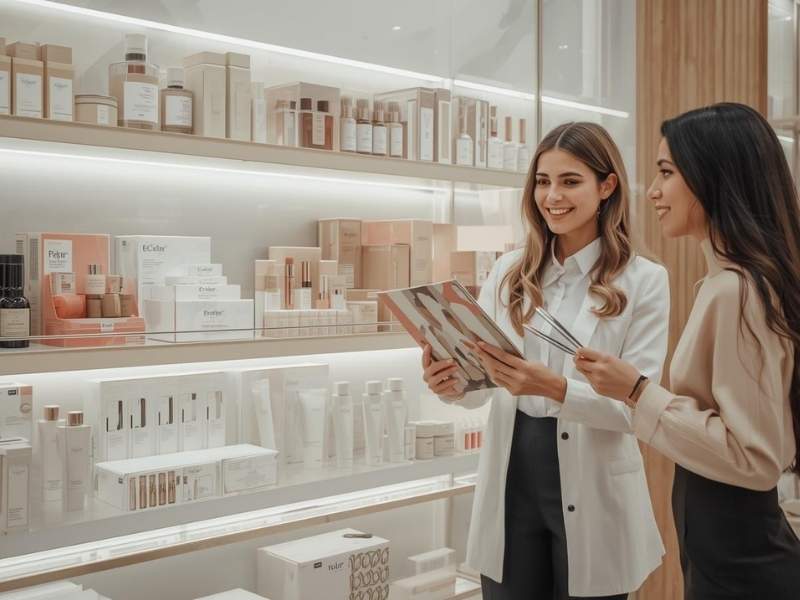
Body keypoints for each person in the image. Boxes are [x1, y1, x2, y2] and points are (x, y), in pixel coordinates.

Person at [422, 122, 669, 599]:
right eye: (542, 181)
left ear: (607, 186)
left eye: (570, 181)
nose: (552, 196)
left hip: (594, 484)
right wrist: (450, 383)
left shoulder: (644, 280)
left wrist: (553, 388)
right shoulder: (508, 271)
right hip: (512, 478)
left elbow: (637, 407)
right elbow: (481, 388)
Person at [573, 102, 800, 599]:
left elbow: (754, 456)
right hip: (725, 548)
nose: (652, 191)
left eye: (667, 172)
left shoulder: (737, 290)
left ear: (714, 176)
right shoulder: (725, 283)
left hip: (743, 560)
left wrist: (637, 391)